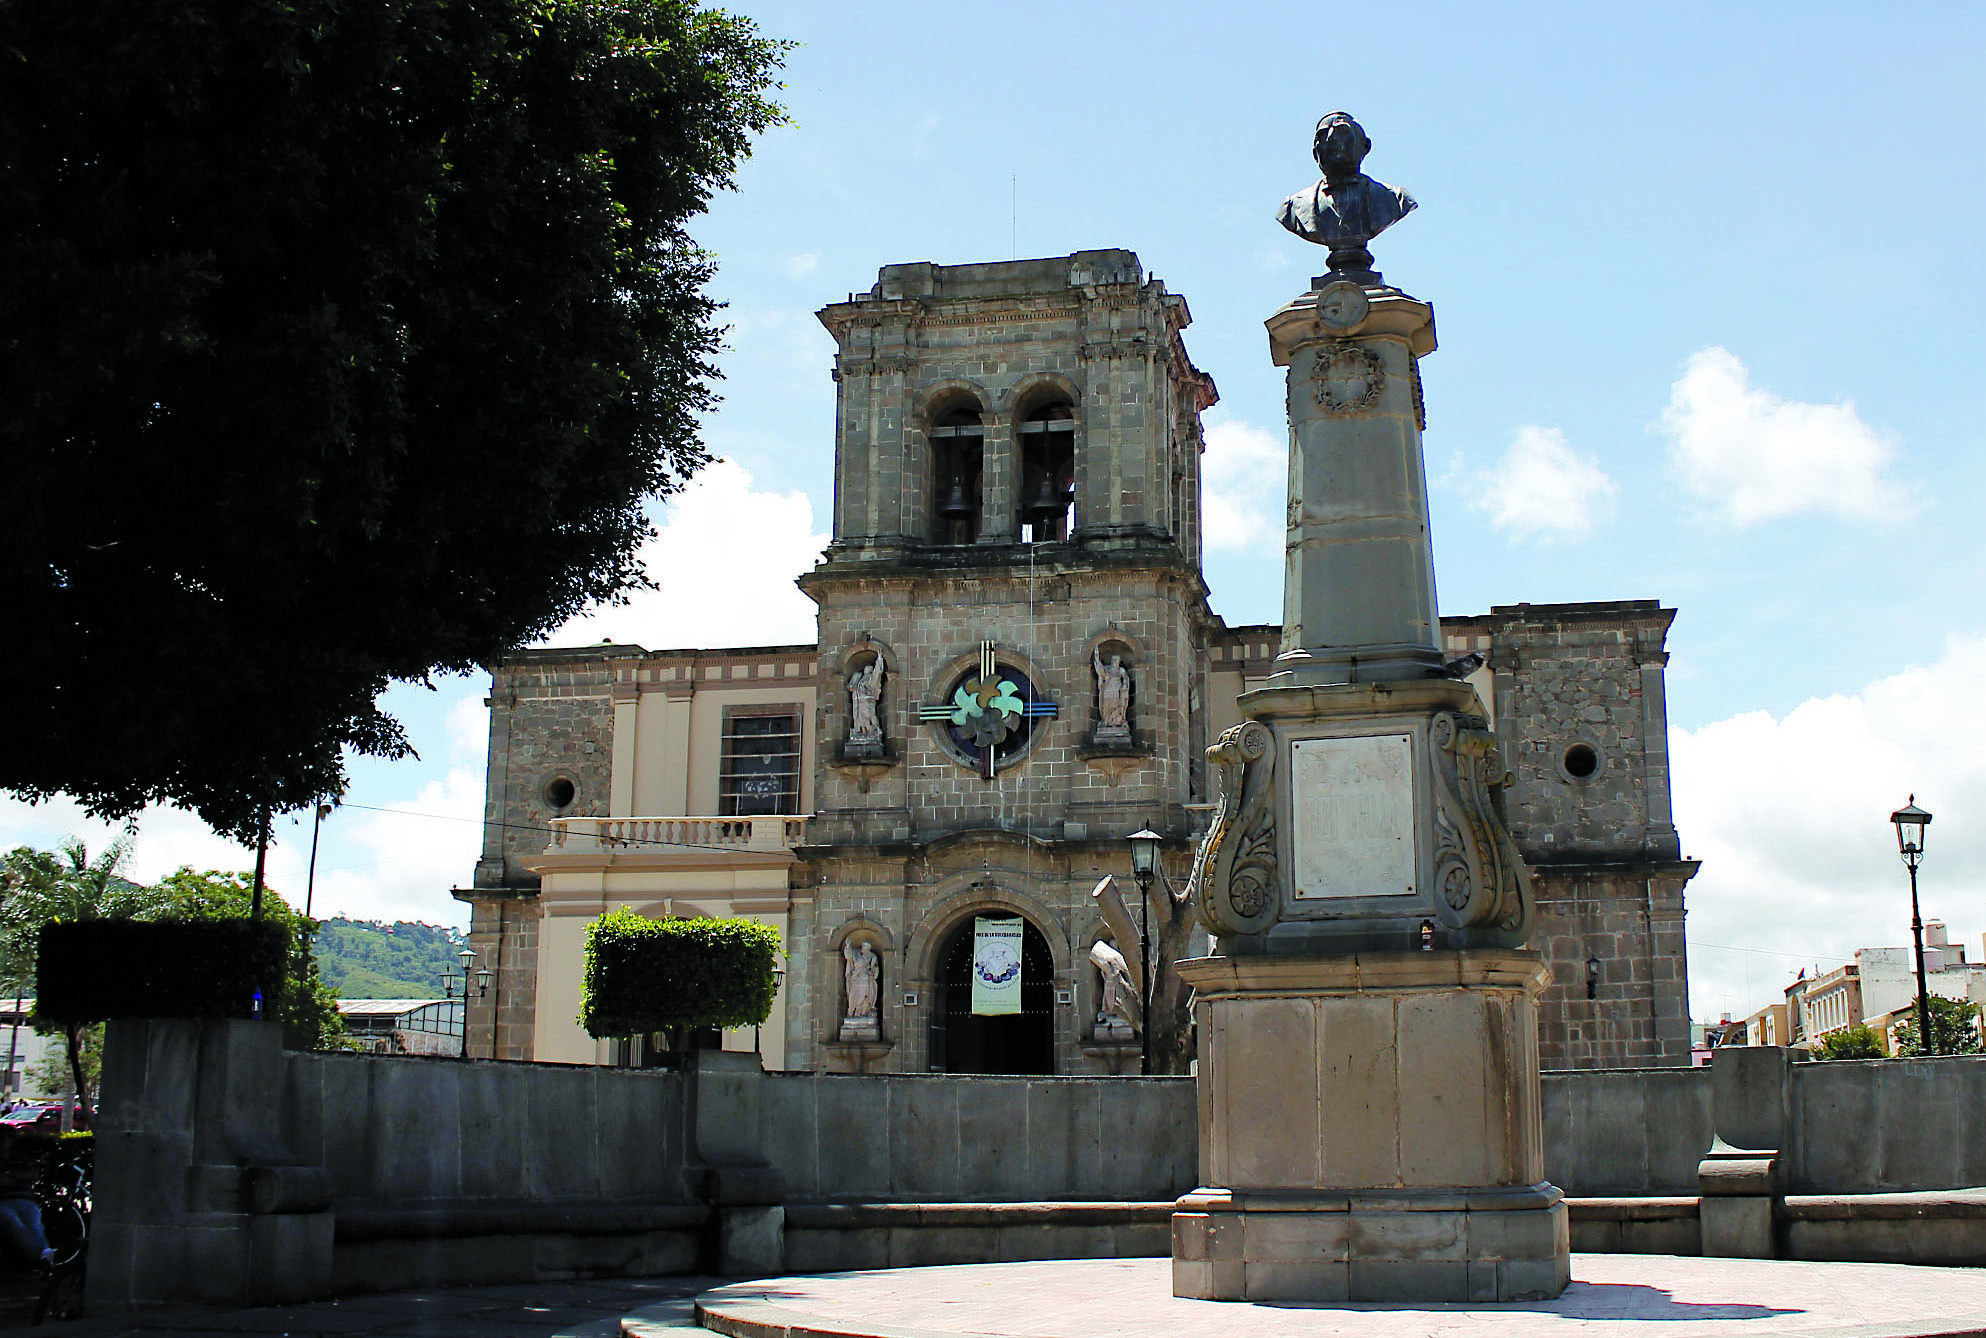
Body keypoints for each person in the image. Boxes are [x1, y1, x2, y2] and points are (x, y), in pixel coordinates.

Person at [0, 1126, 54, 1269]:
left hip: (26, 1200)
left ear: (11, 1141)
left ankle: (44, 1257)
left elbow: (33, 1175)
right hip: (3, 1202)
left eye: (3, 1139)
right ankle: (42, 1255)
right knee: (13, 1222)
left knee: (35, 1226)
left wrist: (12, 1175)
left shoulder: (21, 1157)